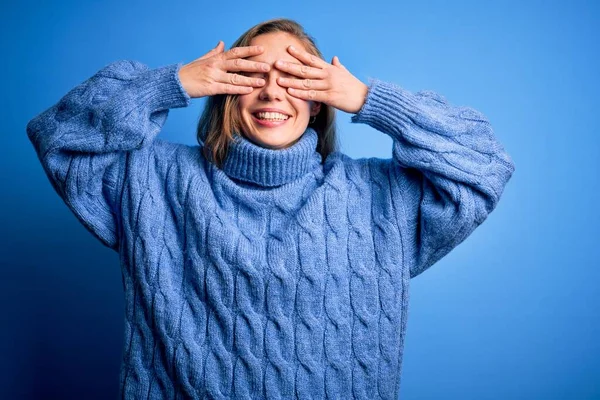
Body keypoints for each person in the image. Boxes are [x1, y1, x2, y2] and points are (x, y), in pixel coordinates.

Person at [26, 17, 515, 400]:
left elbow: (485, 164)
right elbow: (59, 135)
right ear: (223, 90)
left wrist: (368, 99)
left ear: (319, 100)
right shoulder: (152, 181)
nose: (272, 91)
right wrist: (171, 83)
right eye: (252, 76)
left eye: (296, 78)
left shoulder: (378, 198)